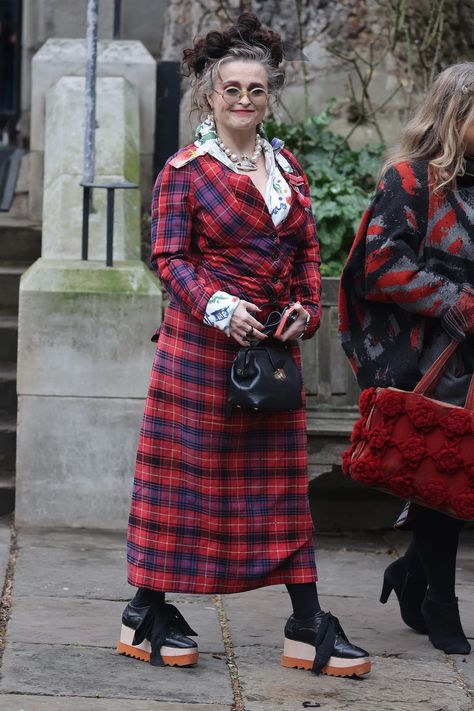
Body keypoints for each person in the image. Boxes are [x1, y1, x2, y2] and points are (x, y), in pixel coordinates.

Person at [117, 13, 371, 678]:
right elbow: (169, 257)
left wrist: (304, 309)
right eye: (232, 89)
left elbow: (309, 251)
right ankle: (146, 607)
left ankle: (306, 622)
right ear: (210, 96)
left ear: (268, 97)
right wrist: (218, 307)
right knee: (184, 486)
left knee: (282, 491)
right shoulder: (185, 171)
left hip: (270, 357)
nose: (243, 101)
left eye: (256, 90)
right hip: (200, 354)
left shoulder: (286, 167)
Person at [339, 63, 474, 655]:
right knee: (444, 473)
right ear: (454, 114)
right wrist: (460, 305)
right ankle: (441, 604)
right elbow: (381, 266)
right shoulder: (410, 179)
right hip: (432, 358)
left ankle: (411, 571)